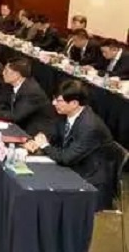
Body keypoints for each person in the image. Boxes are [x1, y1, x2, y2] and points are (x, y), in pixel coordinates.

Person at [25, 80, 113, 210]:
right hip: (74, 166)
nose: (53, 103)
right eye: (54, 99)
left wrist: (44, 146)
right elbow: (53, 132)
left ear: (74, 103)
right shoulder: (67, 113)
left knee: (38, 187)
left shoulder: (90, 126)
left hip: (89, 179)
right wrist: (39, 140)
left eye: (59, 100)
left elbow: (66, 158)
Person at [0, 58, 55, 136]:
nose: (3, 73)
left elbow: (16, 116)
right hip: (22, 122)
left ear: (17, 74)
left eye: (6, 71)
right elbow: (0, 99)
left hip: (36, 131)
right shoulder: (10, 84)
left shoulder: (31, 91)